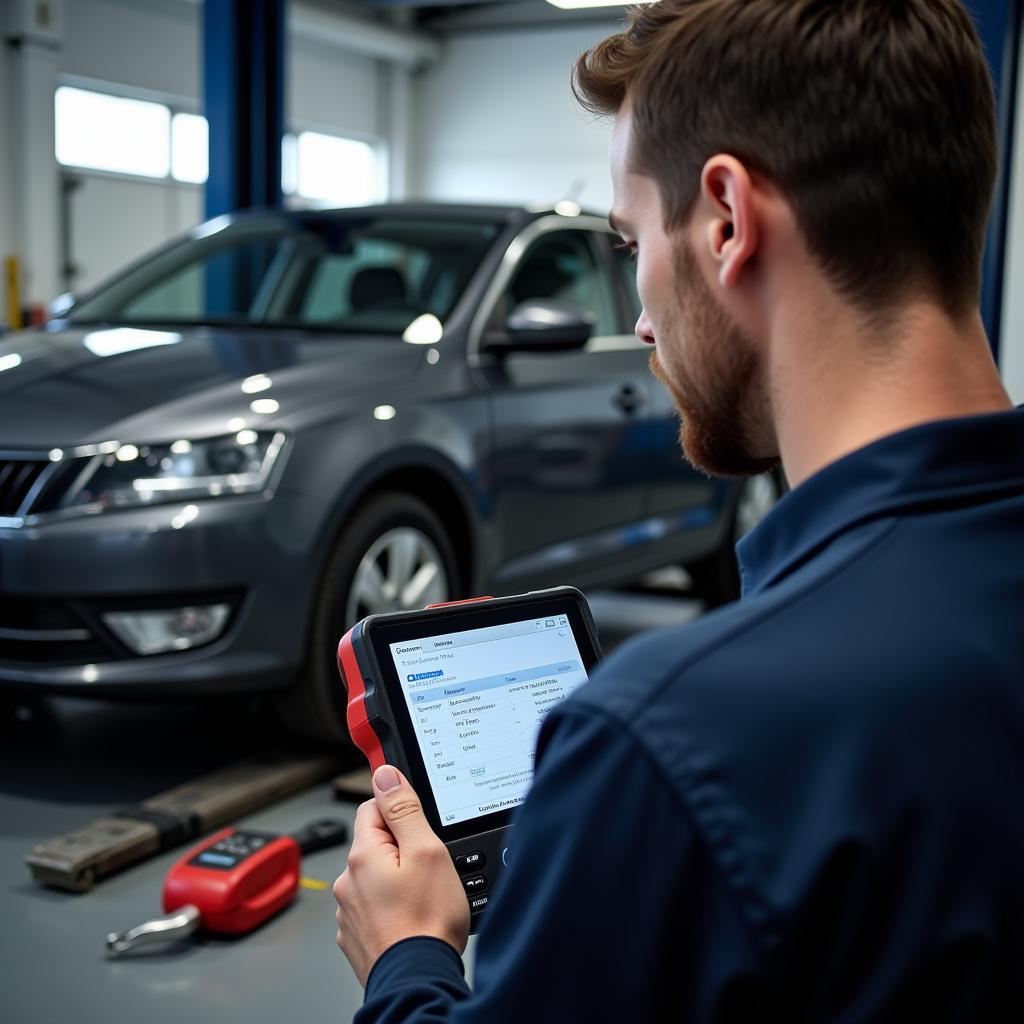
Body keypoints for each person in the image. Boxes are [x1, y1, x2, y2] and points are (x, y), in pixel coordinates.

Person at [333, 0, 1024, 1019]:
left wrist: (408, 960)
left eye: (629, 243)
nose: (644, 320)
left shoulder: (676, 739)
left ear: (726, 221)